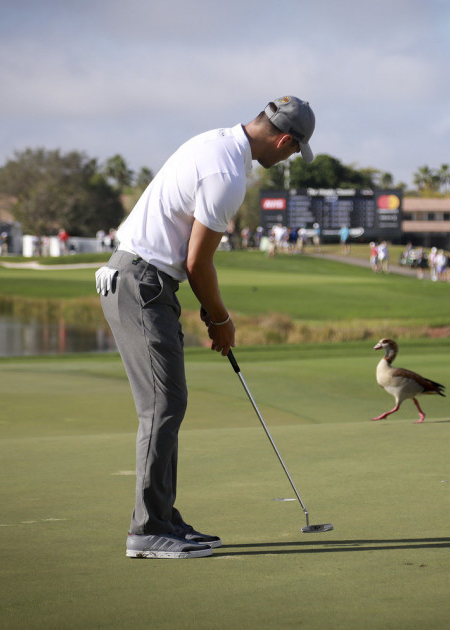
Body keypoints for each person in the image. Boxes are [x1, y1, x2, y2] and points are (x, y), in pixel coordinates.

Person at [95, 95, 316, 559]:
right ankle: (147, 528)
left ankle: (164, 518)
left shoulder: (214, 142)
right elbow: (198, 263)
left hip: (145, 281)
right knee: (163, 405)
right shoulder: (228, 175)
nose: (288, 158)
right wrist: (221, 319)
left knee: (168, 403)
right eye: (294, 151)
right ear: (283, 139)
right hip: (144, 283)